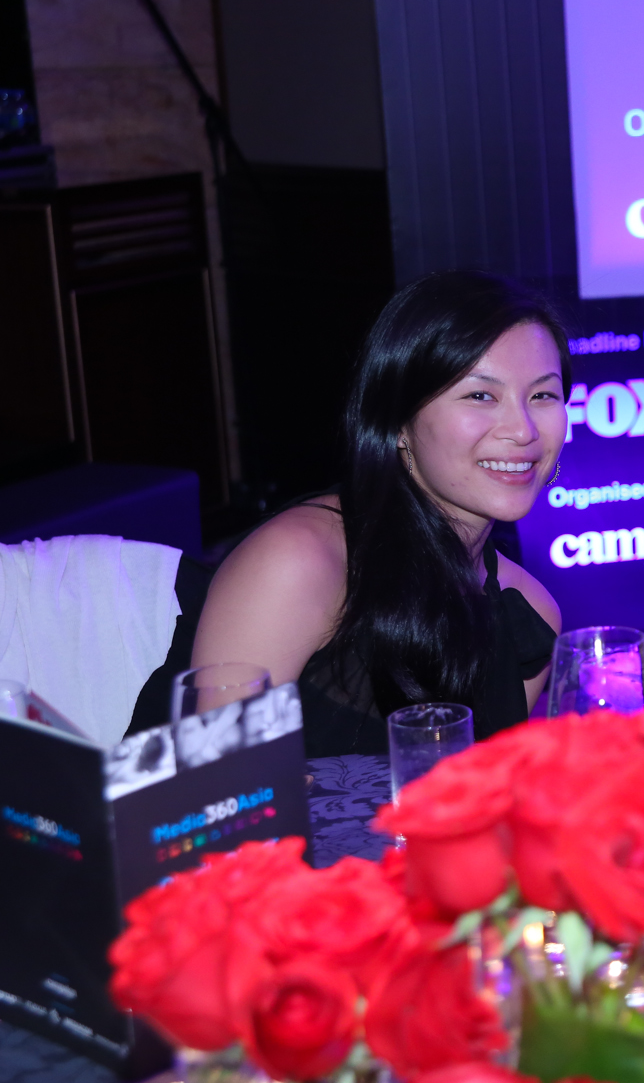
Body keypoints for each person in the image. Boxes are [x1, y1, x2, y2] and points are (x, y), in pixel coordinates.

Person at [190, 271, 568, 755]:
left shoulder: (528, 612)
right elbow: (217, 784)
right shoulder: (300, 562)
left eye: (542, 396)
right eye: (480, 395)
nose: (523, 430)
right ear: (398, 421)